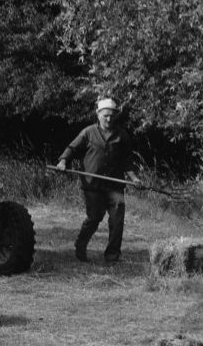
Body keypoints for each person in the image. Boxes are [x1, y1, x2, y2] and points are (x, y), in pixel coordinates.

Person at [55, 98, 142, 263]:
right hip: (92, 184)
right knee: (94, 217)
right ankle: (81, 244)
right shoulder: (88, 132)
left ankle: (112, 256)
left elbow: (128, 162)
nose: (109, 119)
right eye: (105, 116)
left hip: (115, 184)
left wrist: (135, 178)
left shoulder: (122, 136)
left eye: (112, 116)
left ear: (116, 116)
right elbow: (72, 148)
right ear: (98, 114)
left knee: (117, 218)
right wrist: (63, 161)